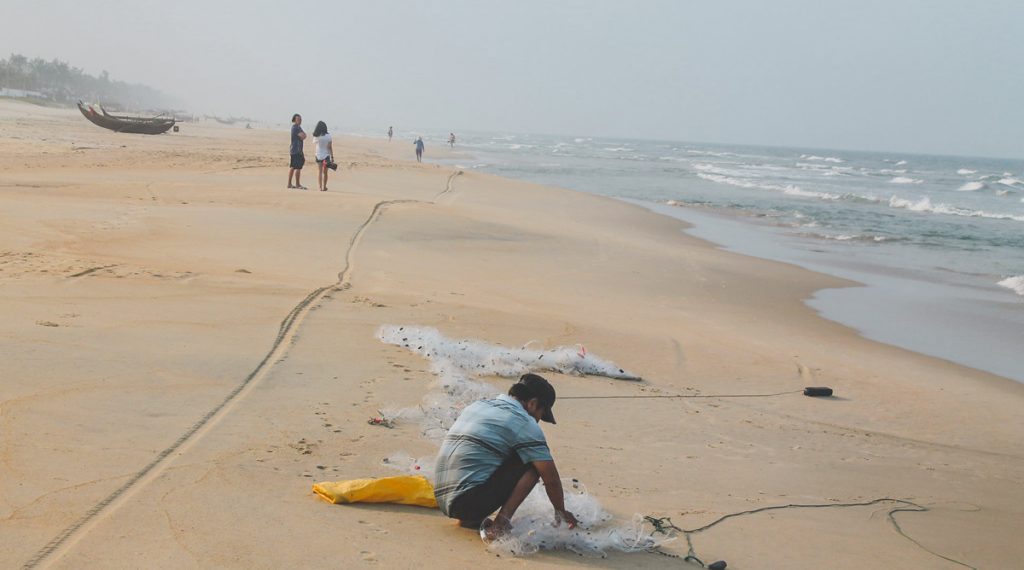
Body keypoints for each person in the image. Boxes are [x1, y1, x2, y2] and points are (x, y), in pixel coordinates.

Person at [433, 374, 579, 539]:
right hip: (466, 502)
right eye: (541, 414)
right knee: (534, 462)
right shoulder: (524, 423)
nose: (538, 421)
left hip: (440, 497)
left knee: (499, 453)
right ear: (533, 403)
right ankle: (500, 524)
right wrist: (560, 512)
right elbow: (550, 478)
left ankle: (469, 518)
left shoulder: (479, 405)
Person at [313, 121, 334, 192]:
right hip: (326, 156)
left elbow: (315, 144)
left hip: (318, 155)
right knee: (325, 172)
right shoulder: (328, 136)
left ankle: (319, 187)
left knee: (319, 171)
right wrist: (332, 156)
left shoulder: (316, 136)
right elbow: (330, 147)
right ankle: (324, 187)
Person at [288, 114, 307, 190]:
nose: (300, 121)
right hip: (295, 150)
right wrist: (303, 135)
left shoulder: (299, 127)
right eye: (298, 119)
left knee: (295, 167)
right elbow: (303, 136)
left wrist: (303, 135)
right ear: (294, 120)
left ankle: (292, 184)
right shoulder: (295, 128)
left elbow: (304, 136)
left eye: (300, 119)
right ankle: (297, 184)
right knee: (295, 167)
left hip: (298, 150)